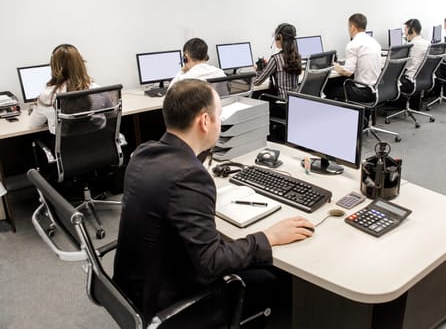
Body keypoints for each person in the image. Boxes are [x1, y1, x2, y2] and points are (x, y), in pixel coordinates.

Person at [113, 79, 315, 326]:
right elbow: (212, 263)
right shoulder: (189, 175)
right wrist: (269, 236)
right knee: (276, 277)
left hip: (133, 289)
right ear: (205, 121)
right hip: (170, 305)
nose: (220, 122)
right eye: (219, 116)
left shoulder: (144, 152)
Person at [28, 44, 101, 134]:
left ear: (54, 66)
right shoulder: (97, 90)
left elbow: (34, 125)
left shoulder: (48, 96)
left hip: (66, 146)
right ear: (80, 63)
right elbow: (112, 114)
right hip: (98, 144)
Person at [333, 13, 382, 103]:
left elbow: (347, 72)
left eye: (348, 27)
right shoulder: (375, 42)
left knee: (329, 89)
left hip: (363, 92)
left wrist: (335, 66)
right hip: (376, 90)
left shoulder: (353, 45)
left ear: (352, 27)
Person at [254, 23, 302, 99]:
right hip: (293, 103)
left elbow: (257, 82)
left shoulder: (275, 59)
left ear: (280, 37)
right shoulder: (297, 56)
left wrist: (259, 69)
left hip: (281, 104)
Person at [399, 19, 430, 94]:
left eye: (405, 30)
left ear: (411, 30)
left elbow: (401, 64)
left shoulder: (411, 46)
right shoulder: (428, 43)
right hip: (425, 80)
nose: (404, 33)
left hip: (409, 82)